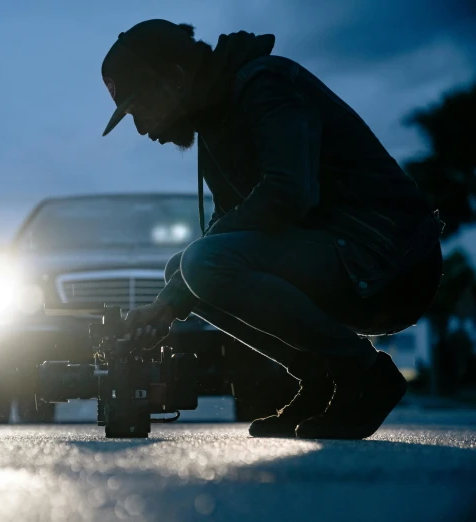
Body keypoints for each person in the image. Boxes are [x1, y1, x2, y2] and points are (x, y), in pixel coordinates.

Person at [101, 19, 443, 439]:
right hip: (338, 256)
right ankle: (319, 379)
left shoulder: (266, 85)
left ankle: (365, 376)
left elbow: (288, 194)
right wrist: (166, 307)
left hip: (390, 263)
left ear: (175, 78)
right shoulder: (215, 118)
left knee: (202, 263)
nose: (142, 129)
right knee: (183, 269)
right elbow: (227, 224)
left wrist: (181, 290)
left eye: (140, 107)